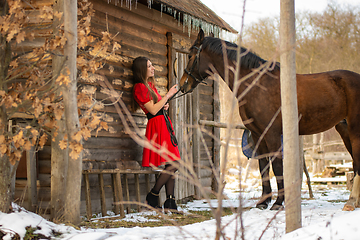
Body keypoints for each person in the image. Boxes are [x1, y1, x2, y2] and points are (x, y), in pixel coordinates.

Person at [132, 56, 180, 211]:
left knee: (170, 163)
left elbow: (156, 106)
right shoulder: (140, 87)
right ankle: (153, 195)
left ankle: (170, 202)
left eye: (152, 65)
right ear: (142, 69)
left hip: (163, 123)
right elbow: (152, 110)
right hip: (157, 125)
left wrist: (163, 106)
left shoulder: (150, 86)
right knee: (174, 163)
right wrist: (168, 95)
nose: (153, 68)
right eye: (149, 66)